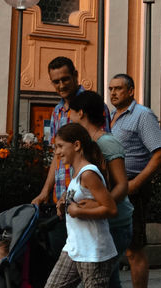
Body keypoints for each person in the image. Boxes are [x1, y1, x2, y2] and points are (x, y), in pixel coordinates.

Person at [68, 90, 133, 288]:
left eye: (71, 112)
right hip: (101, 223)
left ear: (81, 113)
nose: (68, 116)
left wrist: (99, 204)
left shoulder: (107, 142)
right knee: (108, 281)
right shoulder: (87, 142)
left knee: (101, 280)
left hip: (116, 224)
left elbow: (122, 184)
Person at [108, 73, 161, 288]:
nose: (113, 93)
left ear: (131, 91)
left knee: (134, 249)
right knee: (110, 245)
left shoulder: (142, 115)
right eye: (111, 89)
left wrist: (137, 183)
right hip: (111, 187)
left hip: (132, 188)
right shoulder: (111, 117)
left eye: (118, 88)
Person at [44, 123, 119, 288]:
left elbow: (111, 208)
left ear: (77, 145)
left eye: (60, 146)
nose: (57, 152)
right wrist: (64, 203)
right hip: (74, 248)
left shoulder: (88, 174)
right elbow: (81, 198)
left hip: (93, 252)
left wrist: (78, 212)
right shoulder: (75, 173)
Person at [33, 56, 89, 210]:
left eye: (65, 79)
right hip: (60, 198)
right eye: (56, 82)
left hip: (82, 198)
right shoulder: (57, 111)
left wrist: (72, 193)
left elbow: (98, 153)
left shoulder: (90, 105)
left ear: (76, 75)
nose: (61, 85)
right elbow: (57, 155)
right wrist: (45, 192)